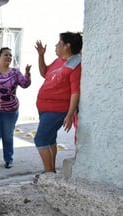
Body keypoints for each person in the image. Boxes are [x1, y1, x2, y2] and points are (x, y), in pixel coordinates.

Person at [33, 32, 82, 177]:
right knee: (50, 138)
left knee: (40, 139)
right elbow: (44, 73)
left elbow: (75, 92)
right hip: (44, 108)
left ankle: (49, 175)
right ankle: (51, 170)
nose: (56, 45)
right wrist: (41, 55)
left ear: (67, 46)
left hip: (57, 110)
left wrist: (69, 114)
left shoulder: (76, 64)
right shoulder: (60, 60)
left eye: (59, 43)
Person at [0, 47, 32, 170]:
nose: (8, 57)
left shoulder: (15, 72)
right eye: (6, 55)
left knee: (8, 136)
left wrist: (27, 74)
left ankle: (8, 160)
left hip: (10, 111)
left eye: (10, 55)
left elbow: (25, 84)